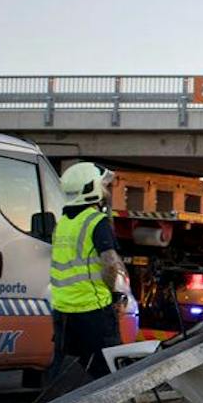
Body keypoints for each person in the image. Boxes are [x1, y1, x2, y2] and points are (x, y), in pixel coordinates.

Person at [49, 162, 127, 381]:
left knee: (65, 371)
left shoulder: (62, 223)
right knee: (107, 373)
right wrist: (113, 293)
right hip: (94, 310)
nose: (106, 190)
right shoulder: (96, 221)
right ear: (91, 188)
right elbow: (110, 263)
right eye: (103, 185)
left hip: (63, 310)